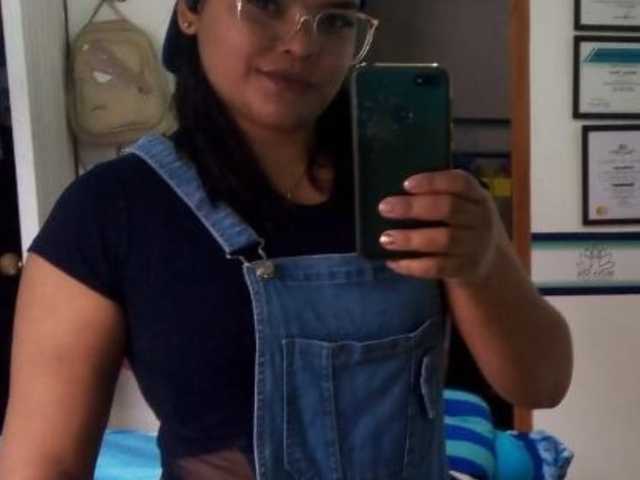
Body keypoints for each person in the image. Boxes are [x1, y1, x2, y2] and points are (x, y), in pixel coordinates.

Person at [0, 0, 573, 479]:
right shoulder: (109, 212)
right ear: (190, 11)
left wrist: (483, 264)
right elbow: (43, 464)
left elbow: (542, 383)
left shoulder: (422, 194)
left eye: (334, 19)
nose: (302, 43)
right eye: (266, 5)